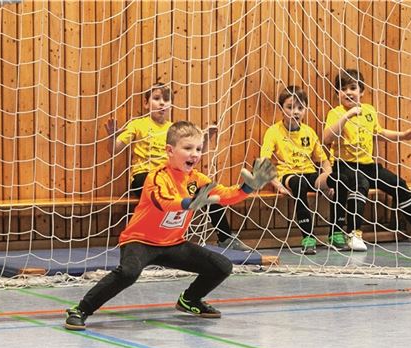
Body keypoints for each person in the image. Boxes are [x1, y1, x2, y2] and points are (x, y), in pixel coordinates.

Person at [65, 121, 276, 330]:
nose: (194, 154)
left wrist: (248, 188)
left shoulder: (198, 179)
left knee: (222, 266)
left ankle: (190, 300)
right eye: (188, 148)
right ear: (170, 150)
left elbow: (226, 195)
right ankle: (81, 309)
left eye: (199, 149)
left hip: (173, 243)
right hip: (140, 241)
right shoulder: (156, 177)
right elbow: (163, 202)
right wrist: (188, 203)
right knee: (128, 273)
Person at [107, 83, 251, 251]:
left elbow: (193, 157)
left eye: (166, 100)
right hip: (145, 176)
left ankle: (225, 238)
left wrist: (205, 140)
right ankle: (145, 242)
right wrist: (112, 137)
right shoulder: (137, 125)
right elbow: (114, 149)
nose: (162, 103)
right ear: (146, 104)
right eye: (156, 98)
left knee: (207, 193)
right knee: (162, 201)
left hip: (174, 177)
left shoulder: (174, 129)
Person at [323, 69, 411, 251]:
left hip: (368, 165)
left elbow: (379, 133)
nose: (348, 92)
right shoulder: (336, 113)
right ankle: (353, 233)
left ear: (361, 91)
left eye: (353, 88)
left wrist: (404, 135)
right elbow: (326, 138)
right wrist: (347, 116)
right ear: (337, 93)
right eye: (343, 88)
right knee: (361, 183)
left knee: (398, 183)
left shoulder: (369, 111)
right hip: (344, 166)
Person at [260, 86, 348, 255]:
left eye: (300, 108)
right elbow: (263, 161)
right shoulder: (273, 131)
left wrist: (328, 179)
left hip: (309, 174)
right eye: (290, 107)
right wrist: (276, 184)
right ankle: (308, 238)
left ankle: (336, 233)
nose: (296, 112)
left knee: (341, 179)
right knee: (298, 183)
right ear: (281, 108)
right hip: (289, 175)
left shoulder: (308, 131)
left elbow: (323, 160)